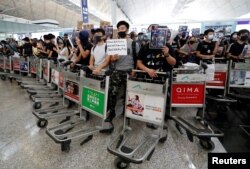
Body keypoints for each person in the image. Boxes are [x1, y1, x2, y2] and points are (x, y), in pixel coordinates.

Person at [104, 21, 140, 127]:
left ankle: (127, 112)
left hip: (129, 71)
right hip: (117, 71)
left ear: (127, 30)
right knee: (113, 93)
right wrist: (113, 59)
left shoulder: (133, 43)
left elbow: (138, 59)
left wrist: (135, 70)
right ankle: (112, 112)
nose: (121, 30)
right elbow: (110, 60)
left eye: (123, 28)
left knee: (128, 94)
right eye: (119, 28)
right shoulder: (114, 43)